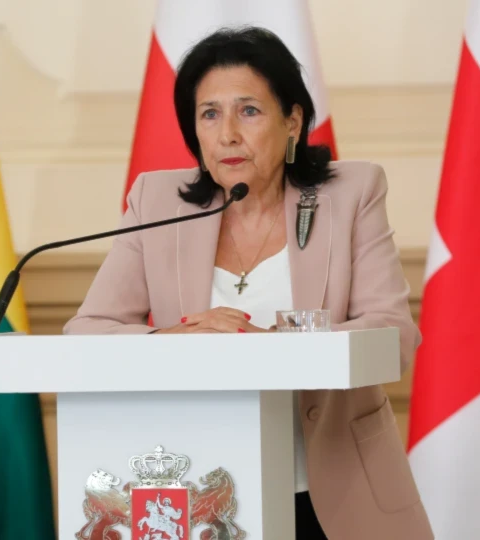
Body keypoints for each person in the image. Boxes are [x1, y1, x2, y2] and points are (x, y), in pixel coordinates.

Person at [63, 26, 433, 540]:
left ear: (293, 121)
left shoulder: (351, 194)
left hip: (334, 494)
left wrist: (274, 348)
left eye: (249, 111)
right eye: (209, 113)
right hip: (203, 501)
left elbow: (393, 335)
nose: (227, 134)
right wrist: (175, 338)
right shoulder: (157, 201)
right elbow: (86, 330)